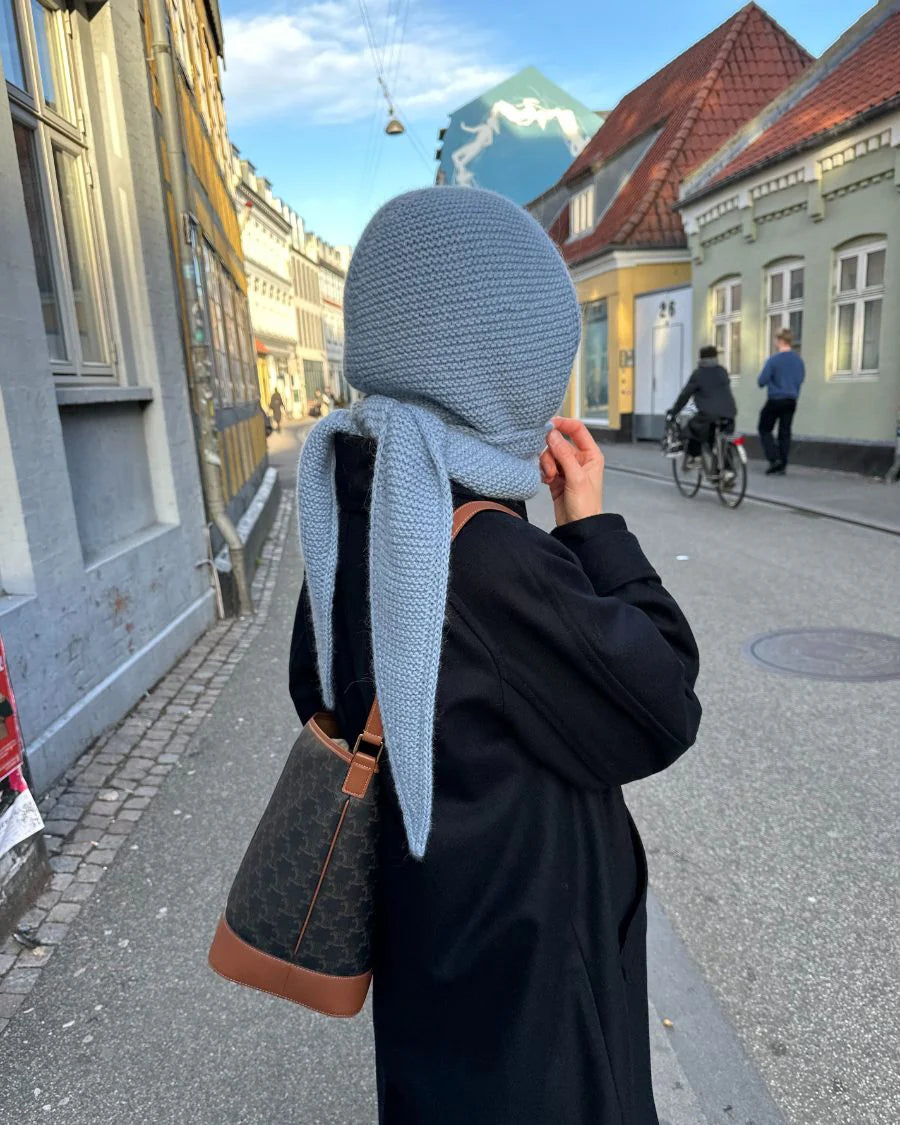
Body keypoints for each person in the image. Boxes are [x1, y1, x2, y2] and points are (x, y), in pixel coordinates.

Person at [290, 187, 701, 1125]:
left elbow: (314, 684)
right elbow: (663, 700)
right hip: (531, 992)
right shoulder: (488, 556)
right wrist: (591, 527)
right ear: (497, 367)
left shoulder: (351, 497)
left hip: (425, 945)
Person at [667, 345, 737, 472]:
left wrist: (674, 411)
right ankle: (727, 471)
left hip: (708, 415)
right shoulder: (722, 371)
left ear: (701, 359)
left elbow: (685, 395)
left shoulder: (698, 374)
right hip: (730, 413)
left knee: (691, 429)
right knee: (722, 438)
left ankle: (694, 458)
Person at [757, 328, 804, 474]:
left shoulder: (773, 360)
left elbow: (761, 381)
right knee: (785, 432)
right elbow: (800, 379)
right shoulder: (798, 361)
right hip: (791, 400)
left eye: (775, 340)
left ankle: (774, 458)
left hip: (775, 399)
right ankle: (782, 465)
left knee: (764, 428)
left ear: (780, 341)